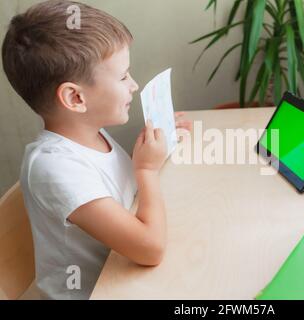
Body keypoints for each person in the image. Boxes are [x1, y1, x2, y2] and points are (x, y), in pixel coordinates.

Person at [1, 0, 191, 299]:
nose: (135, 85)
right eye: (123, 76)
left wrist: (157, 147)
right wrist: (146, 169)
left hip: (122, 276)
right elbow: (150, 248)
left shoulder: (89, 133)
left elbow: (120, 192)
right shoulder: (54, 169)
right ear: (75, 98)